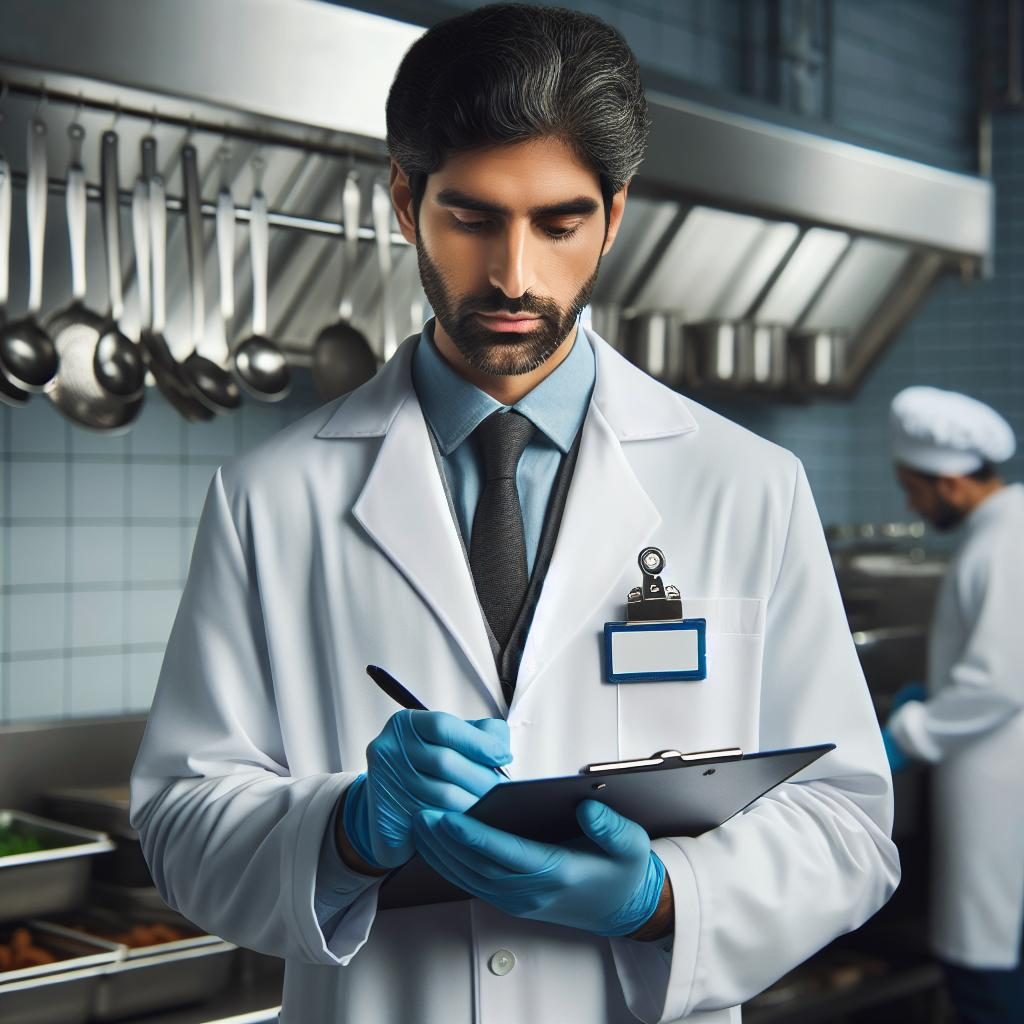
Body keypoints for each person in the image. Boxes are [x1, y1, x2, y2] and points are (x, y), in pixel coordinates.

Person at [129, 6, 899, 1022]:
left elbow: (847, 824)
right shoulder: (269, 500)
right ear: (405, 202)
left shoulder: (745, 484)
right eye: (473, 216)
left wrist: (662, 897)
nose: (513, 275)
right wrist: (350, 830)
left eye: (559, 223)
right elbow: (181, 825)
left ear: (614, 216)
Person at [884, 385, 1023, 1024]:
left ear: (948, 483)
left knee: (991, 959)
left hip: (999, 785)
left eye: (913, 488)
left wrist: (912, 731)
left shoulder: (1004, 541)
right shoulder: (1000, 530)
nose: (912, 504)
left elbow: (1000, 680)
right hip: (992, 773)